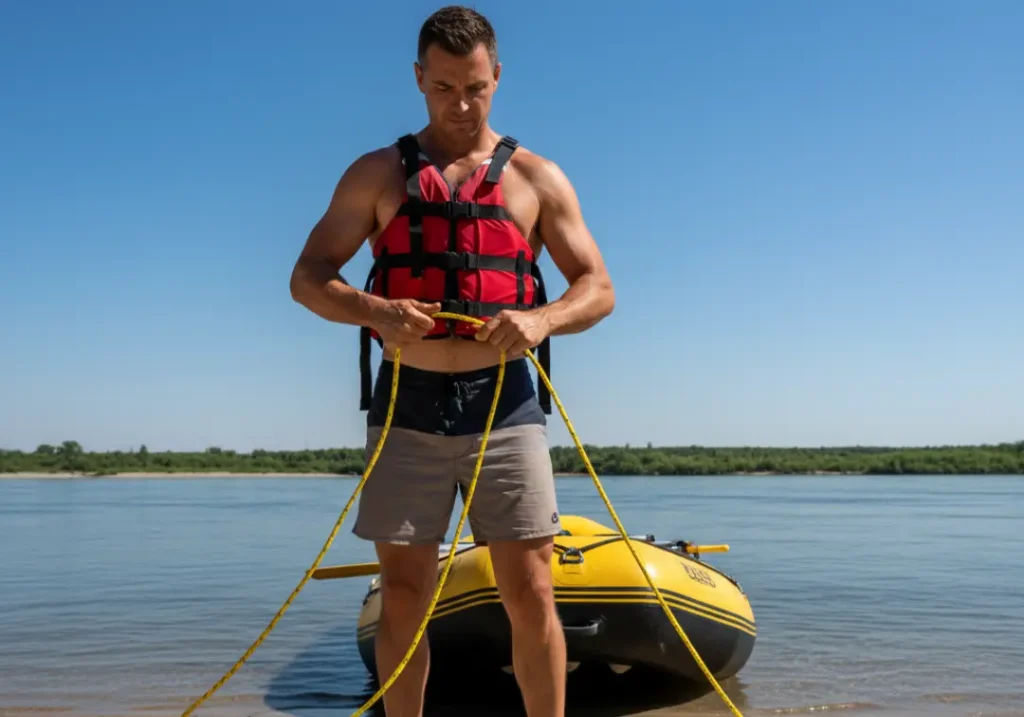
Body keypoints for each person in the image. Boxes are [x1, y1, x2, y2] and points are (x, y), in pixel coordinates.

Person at [289, 6, 614, 716]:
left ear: (496, 75)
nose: (460, 105)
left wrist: (540, 317)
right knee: (404, 591)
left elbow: (598, 288)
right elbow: (308, 276)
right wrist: (377, 311)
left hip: (507, 403)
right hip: (409, 402)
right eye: (442, 88)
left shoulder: (537, 177)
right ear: (417, 80)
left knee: (530, 587)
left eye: (474, 87)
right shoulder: (376, 173)